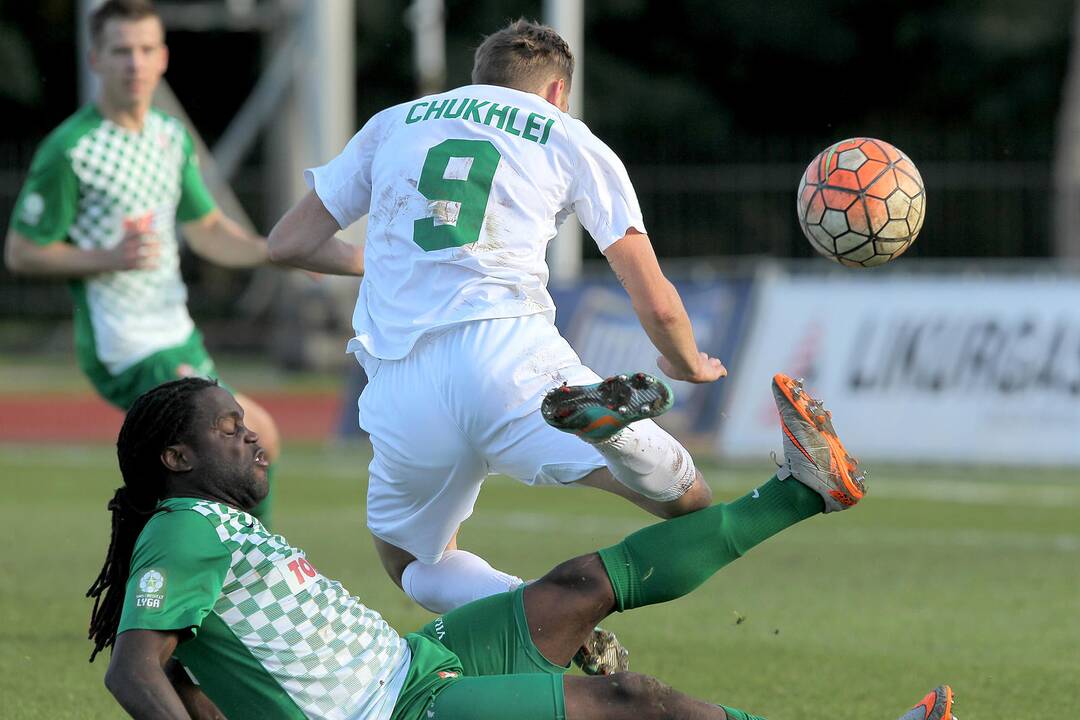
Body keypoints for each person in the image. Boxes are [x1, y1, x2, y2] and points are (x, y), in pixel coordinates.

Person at [89, 375, 953, 720]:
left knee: (581, 584)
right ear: (176, 459)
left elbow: (190, 685)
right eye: (229, 430)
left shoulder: (226, 523)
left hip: (413, 664)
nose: (254, 439)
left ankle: (805, 489)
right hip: (396, 714)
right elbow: (135, 670)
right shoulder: (182, 530)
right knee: (634, 700)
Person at [266, 18, 732, 630]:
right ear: (557, 91)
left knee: (411, 559)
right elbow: (657, 300)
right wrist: (688, 361)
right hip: (510, 354)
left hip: (402, 376)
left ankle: (536, 609)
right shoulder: (568, 136)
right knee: (687, 503)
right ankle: (614, 433)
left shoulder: (396, 122)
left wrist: (385, 262)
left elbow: (288, 243)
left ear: (478, 79)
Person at [4, 0, 355, 524]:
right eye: (121, 51)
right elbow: (22, 251)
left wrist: (277, 252)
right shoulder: (71, 149)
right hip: (125, 344)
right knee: (245, 443)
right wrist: (107, 257)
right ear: (95, 58)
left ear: (163, 57)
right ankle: (255, 573)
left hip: (176, 335)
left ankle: (217, 572)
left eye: (146, 50)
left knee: (235, 454)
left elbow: (210, 231)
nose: (135, 63)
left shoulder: (170, 138)